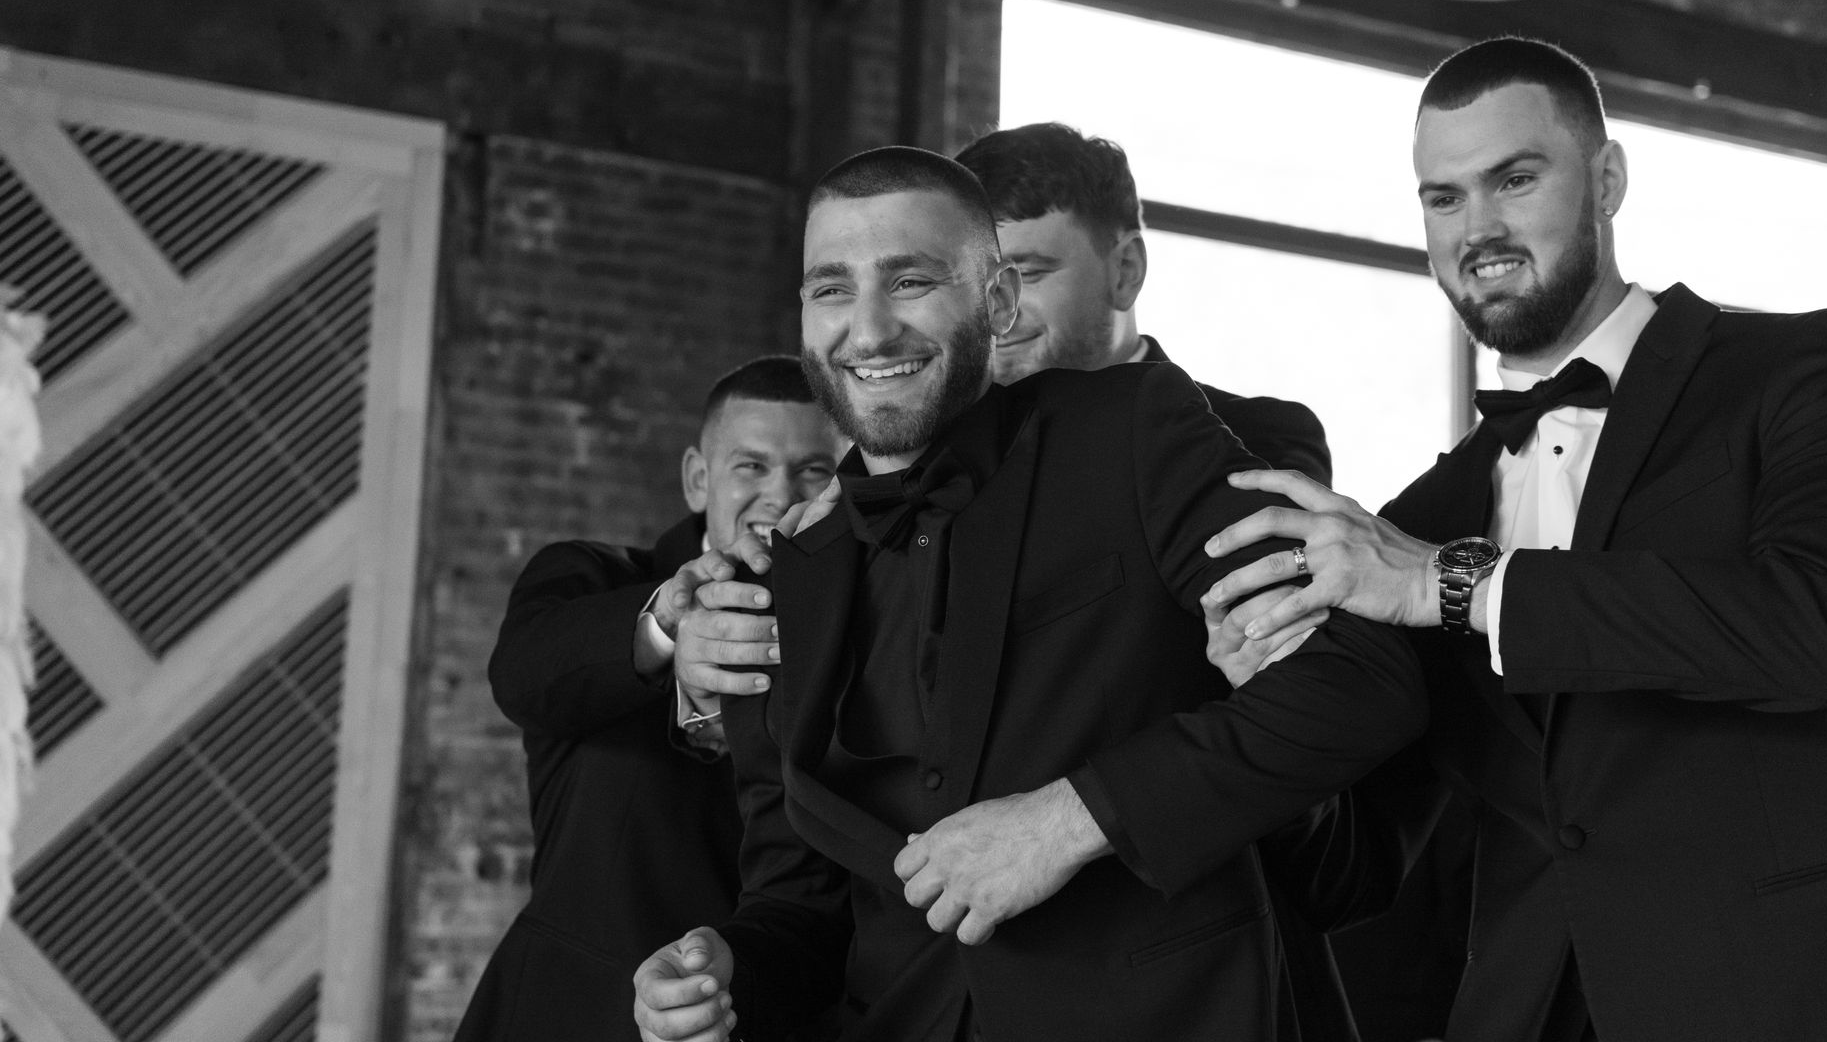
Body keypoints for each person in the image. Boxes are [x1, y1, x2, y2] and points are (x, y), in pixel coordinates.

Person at [1200, 37, 1827, 1040]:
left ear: (1608, 180)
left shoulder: (1812, 364)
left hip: (1802, 993)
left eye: (1515, 179)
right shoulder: (1419, 525)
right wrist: (1275, 694)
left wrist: (1464, 587)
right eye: (1443, 197)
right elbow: (1355, 870)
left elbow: (1824, 633)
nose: (1477, 229)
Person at [631, 147, 1425, 1042]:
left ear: (998, 301)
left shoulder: (1131, 432)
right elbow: (800, 908)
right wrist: (726, 972)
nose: (869, 329)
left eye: (910, 281)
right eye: (831, 289)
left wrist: (1068, 821)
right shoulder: (782, 571)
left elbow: (1363, 679)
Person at [453, 356, 839, 1042]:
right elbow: (522, 677)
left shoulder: (863, 636)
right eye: (751, 466)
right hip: (563, 1017)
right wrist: (665, 624)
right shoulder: (592, 579)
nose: (780, 495)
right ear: (698, 479)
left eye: (813, 470)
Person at [956, 121, 1331, 483]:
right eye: (971, 284)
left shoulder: (1258, 436)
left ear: (1126, 270)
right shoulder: (946, 442)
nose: (993, 311)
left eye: (1027, 273)